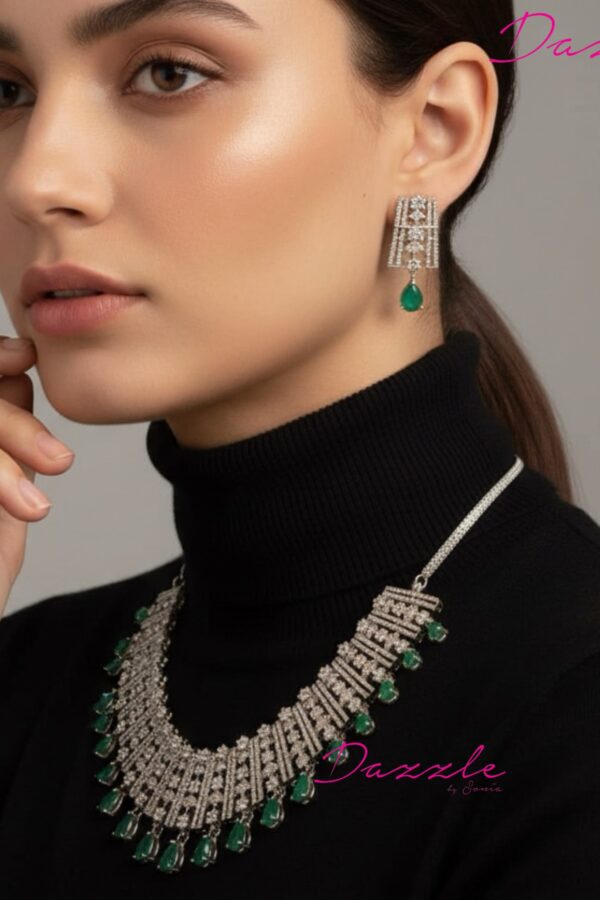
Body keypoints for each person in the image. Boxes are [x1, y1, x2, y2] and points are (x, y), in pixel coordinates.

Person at [0, 1, 598, 897]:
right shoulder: (24, 678)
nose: (36, 179)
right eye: (7, 91)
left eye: (169, 73)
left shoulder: (569, 704)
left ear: (435, 130)